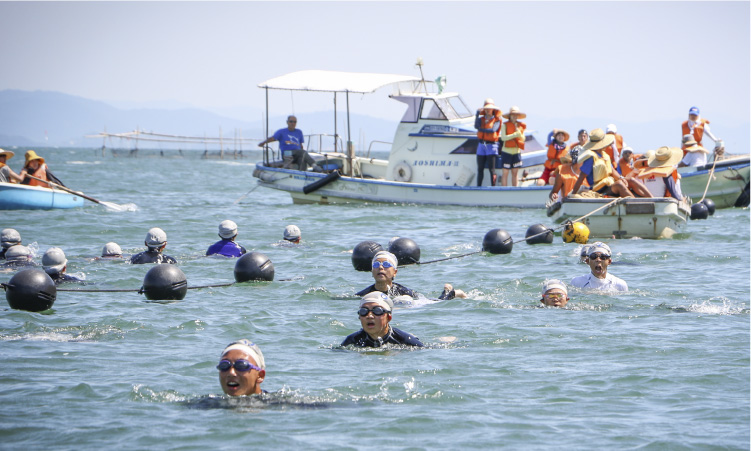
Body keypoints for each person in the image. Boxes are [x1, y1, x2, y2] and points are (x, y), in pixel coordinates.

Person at [569, 128, 650, 199]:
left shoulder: (605, 155)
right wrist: (573, 193)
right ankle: (636, 204)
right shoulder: (591, 158)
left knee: (631, 180)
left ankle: (653, 199)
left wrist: (621, 178)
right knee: (619, 185)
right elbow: (581, 177)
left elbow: (612, 171)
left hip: (609, 184)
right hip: (599, 190)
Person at [355, 251, 463, 301]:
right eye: (376, 264)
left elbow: (431, 305)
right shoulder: (364, 295)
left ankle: (450, 292)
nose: (381, 268)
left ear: (395, 272)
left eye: (387, 265)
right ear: (372, 271)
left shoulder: (404, 292)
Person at [340, 291, 424, 348]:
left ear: (389, 317)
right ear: (359, 317)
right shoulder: (351, 341)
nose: (369, 316)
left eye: (377, 311)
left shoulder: (407, 341)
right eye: (363, 311)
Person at [474, 99, 502, 186]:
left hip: (492, 146)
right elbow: (476, 126)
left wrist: (481, 129)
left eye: (489, 108)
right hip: (481, 145)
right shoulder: (481, 119)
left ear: (493, 109)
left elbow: (493, 130)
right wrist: (477, 115)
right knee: (480, 168)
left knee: (492, 169)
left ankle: (493, 187)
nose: (488, 110)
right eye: (486, 108)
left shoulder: (497, 120)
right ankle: (478, 187)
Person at [499, 106, 526, 186]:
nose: (515, 116)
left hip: (516, 152)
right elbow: (503, 138)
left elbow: (523, 138)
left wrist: (519, 133)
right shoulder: (505, 125)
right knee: (505, 173)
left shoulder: (520, 126)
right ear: (510, 116)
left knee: (515, 173)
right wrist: (514, 135)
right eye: (513, 114)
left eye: (516, 115)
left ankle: (515, 190)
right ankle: (504, 191)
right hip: (506, 152)